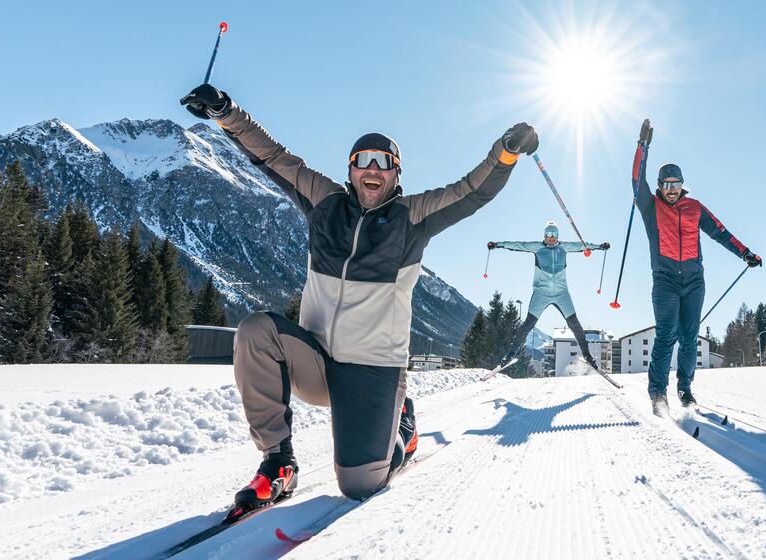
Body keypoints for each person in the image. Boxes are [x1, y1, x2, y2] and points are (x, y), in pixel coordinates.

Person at [180, 84, 538, 510]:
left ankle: (400, 424)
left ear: (396, 174)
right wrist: (226, 112)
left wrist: (506, 152)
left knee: (359, 486)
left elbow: (472, 190)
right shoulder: (324, 200)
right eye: (363, 161)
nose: (373, 168)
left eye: (384, 163)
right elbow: (272, 156)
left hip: (372, 372)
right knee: (255, 330)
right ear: (350, 171)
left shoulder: (414, 217)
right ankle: (278, 462)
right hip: (315, 361)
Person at [632, 120, 762, 416]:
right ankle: (657, 392)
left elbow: (720, 232)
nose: (672, 190)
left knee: (690, 336)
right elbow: (636, 181)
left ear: (682, 185)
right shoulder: (651, 207)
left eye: (676, 185)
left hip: (694, 280)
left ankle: (685, 388)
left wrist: (745, 253)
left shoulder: (695, 208)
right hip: (664, 279)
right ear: (660, 187)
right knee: (667, 334)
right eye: (666, 185)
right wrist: (643, 147)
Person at [488, 221, 609, 371]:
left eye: (554, 234)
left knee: (575, 324)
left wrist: (600, 246)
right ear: (544, 236)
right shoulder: (537, 248)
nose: (551, 237)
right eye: (549, 234)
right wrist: (498, 244)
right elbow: (517, 245)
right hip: (541, 293)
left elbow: (583, 246)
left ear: (558, 236)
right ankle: (510, 354)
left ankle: (587, 355)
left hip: (561, 293)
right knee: (528, 325)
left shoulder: (564, 247)